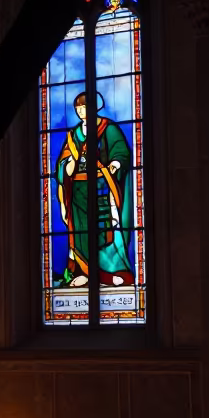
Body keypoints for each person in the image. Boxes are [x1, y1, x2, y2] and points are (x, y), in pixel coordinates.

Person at [55, 92, 133, 287]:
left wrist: (115, 164)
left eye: (84, 107)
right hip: (77, 192)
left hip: (101, 187)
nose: (81, 112)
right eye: (78, 108)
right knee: (80, 231)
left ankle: (108, 272)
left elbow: (121, 152)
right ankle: (84, 272)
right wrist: (69, 164)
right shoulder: (73, 135)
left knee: (105, 230)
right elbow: (62, 167)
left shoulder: (108, 128)